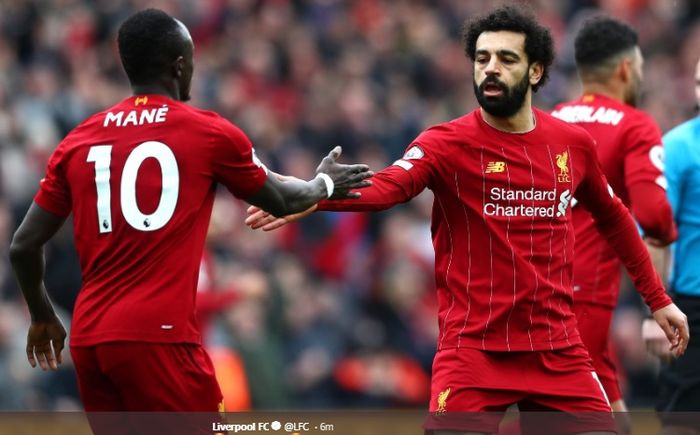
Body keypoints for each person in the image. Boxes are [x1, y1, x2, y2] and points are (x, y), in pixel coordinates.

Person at [246, 6, 688, 434]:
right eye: (482, 59)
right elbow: (388, 187)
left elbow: (614, 217)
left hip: (557, 351)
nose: (490, 68)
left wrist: (657, 299)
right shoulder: (446, 143)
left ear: (536, 72)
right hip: (475, 352)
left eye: (506, 59)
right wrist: (314, 194)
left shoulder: (571, 144)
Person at [8, 8, 371, 434]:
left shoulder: (79, 139)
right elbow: (282, 199)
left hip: (91, 341)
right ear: (180, 64)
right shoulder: (207, 133)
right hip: (160, 340)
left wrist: (42, 314)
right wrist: (325, 184)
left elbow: (23, 245)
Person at [550, 16, 677, 420]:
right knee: (563, 423)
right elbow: (654, 216)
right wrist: (657, 303)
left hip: (534, 286)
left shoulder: (549, 120)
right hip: (583, 296)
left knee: (611, 421)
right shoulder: (636, 125)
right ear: (626, 69)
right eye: (639, 67)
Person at [643, 56, 700, 434]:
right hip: (693, 308)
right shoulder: (678, 148)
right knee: (681, 420)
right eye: (698, 83)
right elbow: (654, 235)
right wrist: (656, 311)